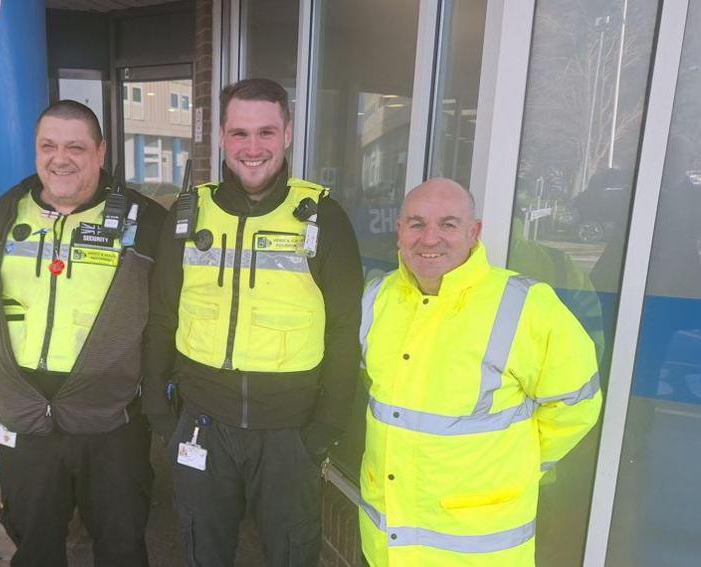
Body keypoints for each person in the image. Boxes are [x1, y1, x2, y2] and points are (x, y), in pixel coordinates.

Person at [143, 78, 364, 566]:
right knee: (202, 549)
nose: (252, 147)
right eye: (240, 133)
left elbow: (346, 333)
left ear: (287, 135)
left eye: (266, 132)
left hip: (289, 433)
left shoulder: (323, 217)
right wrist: (160, 413)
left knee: (291, 554)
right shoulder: (187, 214)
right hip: (202, 423)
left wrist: (325, 429)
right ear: (222, 137)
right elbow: (162, 315)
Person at [358, 178, 602, 566]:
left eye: (449, 224)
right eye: (417, 223)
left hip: (477, 551)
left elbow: (576, 406)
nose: (430, 238)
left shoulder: (526, 304)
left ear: (474, 233)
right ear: (400, 231)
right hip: (387, 546)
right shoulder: (378, 297)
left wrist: (521, 462)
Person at [0, 100, 165, 567]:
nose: (59, 158)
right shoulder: (3, 216)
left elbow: (170, 317)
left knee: (122, 547)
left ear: (100, 152)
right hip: (27, 419)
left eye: (75, 147)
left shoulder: (145, 224)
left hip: (113, 423)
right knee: (35, 546)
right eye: (48, 145)